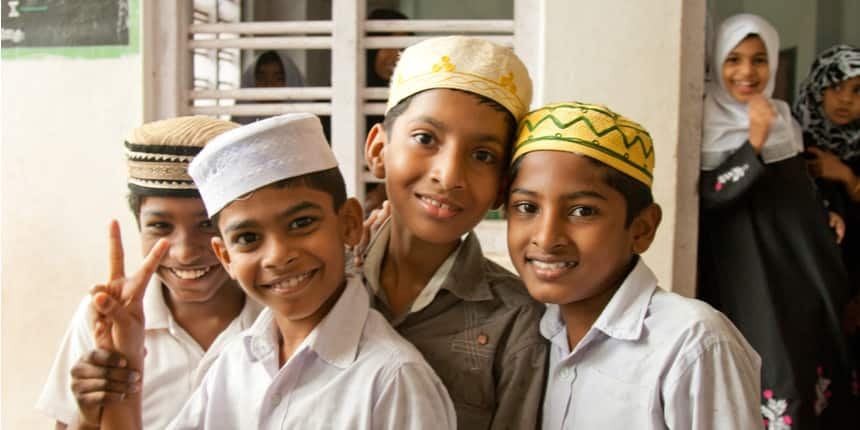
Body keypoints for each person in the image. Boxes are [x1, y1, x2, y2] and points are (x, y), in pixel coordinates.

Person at [91, 113, 457, 429]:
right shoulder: (235, 364)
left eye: (301, 223)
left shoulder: (392, 379)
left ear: (348, 223)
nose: (278, 256)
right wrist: (125, 366)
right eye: (248, 238)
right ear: (225, 257)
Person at [506, 101, 762, 429]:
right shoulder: (531, 330)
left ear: (642, 229)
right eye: (526, 206)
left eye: (583, 211)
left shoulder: (692, 342)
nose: (546, 237)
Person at [361, 36, 547, 429]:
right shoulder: (325, 281)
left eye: (483, 155)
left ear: (502, 186)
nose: (448, 176)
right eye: (425, 139)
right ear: (379, 150)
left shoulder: (516, 322)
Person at [35, 116, 262, 430]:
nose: (184, 252)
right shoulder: (105, 317)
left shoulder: (280, 318)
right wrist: (89, 415)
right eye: (160, 227)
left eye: (207, 224)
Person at [698, 14, 854, 428]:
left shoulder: (782, 116)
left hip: (798, 266)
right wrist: (754, 141)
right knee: (772, 359)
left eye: (758, 59)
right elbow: (712, 195)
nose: (747, 72)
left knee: (808, 353)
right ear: (716, 63)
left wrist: (825, 213)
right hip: (750, 271)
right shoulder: (705, 121)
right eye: (733, 59)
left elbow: (795, 184)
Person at [793, 44, 860, 399]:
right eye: (835, 87)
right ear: (817, 87)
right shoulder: (790, 138)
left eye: (857, 90)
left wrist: (847, 177)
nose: (845, 100)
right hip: (807, 284)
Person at [233, 50, 305, 125]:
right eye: (261, 78)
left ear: (291, 82)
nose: (269, 85)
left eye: (278, 78)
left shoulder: (304, 124)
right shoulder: (235, 126)